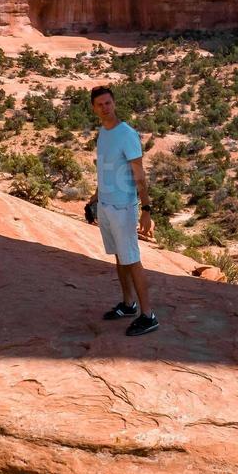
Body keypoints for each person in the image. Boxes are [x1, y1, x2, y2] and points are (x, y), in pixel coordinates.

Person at [85, 86, 159, 337]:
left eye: (108, 103)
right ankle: (129, 304)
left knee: (132, 259)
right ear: (94, 108)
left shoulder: (127, 134)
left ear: (114, 103)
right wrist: (95, 198)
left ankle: (148, 315)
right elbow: (106, 168)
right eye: (100, 104)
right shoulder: (103, 134)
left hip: (123, 207)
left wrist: (146, 209)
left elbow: (139, 175)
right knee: (119, 256)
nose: (105, 107)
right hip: (106, 205)